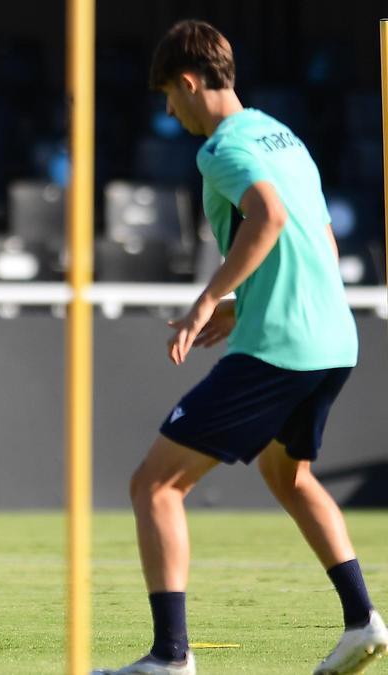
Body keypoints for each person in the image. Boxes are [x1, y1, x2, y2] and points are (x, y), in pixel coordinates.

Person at [96, 20, 387, 675]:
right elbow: (318, 239)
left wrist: (205, 300)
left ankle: (170, 656)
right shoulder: (282, 134)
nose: (170, 111)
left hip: (280, 346)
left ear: (191, 82)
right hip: (334, 337)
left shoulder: (221, 147)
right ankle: (362, 619)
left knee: (155, 485)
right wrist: (240, 302)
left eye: (169, 96)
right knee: (289, 473)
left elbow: (269, 218)